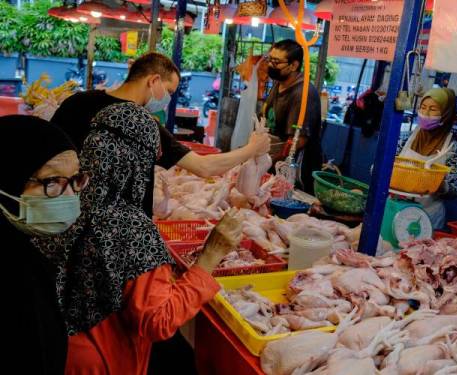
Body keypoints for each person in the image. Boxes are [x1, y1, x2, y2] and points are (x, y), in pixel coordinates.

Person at [35, 102, 238, 374]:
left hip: (56, 349)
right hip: (104, 360)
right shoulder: (129, 227)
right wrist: (211, 256)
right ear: (138, 161)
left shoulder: (62, 200)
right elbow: (158, 320)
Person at [51, 52, 270, 216]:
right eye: (169, 91)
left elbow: (50, 154)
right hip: (122, 231)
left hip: (67, 212)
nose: (168, 99)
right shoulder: (142, 123)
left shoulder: (78, 101)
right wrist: (252, 148)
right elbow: (205, 167)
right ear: (153, 80)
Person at [0, 115, 88, 374]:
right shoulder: (12, 276)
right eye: (51, 182)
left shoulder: (22, 252)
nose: (71, 197)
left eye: (75, 180)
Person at [397, 88, 457, 229]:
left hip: (428, 216)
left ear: (446, 114)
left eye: (433, 109)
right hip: (396, 209)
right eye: (423, 107)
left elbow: (455, 189)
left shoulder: (452, 149)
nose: (425, 114)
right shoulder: (404, 138)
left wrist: (441, 185)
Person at [263, 39, 323, 195]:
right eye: (270, 60)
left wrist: (269, 161)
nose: (270, 65)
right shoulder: (279, 83)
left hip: (296, 170)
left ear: (294, 65)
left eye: (276, 62)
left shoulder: (303, 94)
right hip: (273, 160)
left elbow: (298, 141)